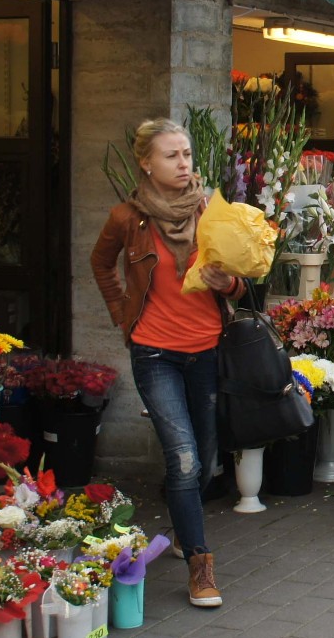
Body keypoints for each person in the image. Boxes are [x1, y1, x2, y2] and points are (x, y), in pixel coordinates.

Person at [90, 118, 246, 609]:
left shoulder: (212, 211)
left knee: (205, 458)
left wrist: (230, 286)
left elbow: (243, 279)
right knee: (181, 458)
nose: (184, 164)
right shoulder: (126, 218)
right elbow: (100, 262)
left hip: (207, 351)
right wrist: (122, 314)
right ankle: (200, 564)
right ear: (146, 163)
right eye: (172, 156)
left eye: (187, 154)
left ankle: (182, 527)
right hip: (154, 351)